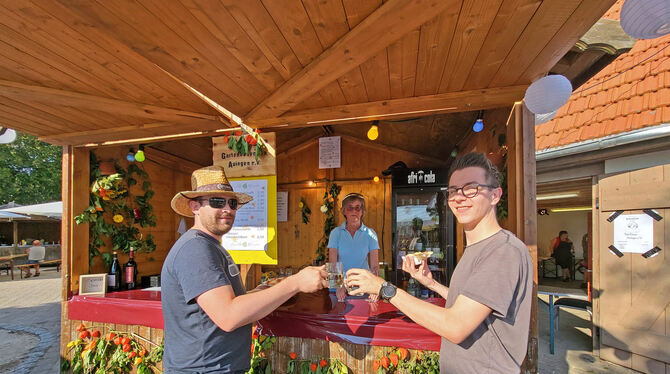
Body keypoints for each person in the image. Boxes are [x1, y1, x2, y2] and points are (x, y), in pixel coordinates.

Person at [346, 152, 533, 373]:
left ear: (495, 195)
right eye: (453, 191)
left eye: (471, 188)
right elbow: (468, 303)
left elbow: (456, 326)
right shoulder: (478, 248)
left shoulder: (503, 251)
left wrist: (384, 288)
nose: (459, 197)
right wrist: (431, 283)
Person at [162, 165, 328, 373]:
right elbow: (229, 316)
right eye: (217, 202)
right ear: (195, 207)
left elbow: (225, 303)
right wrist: (294, 282)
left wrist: (261, 291)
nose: (228, 209)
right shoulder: (195, 248)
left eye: (232, 203)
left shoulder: (210, 246)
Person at [328, 193, 380, 302]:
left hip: (363, 287)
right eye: (350, 208)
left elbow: (375, 266)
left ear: (362, 211)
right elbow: (333, 263)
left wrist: (375, 287)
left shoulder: (371, 234)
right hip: (339, 289)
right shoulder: (336, 233)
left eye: (357, 208)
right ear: (344, 211)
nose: (354, 212)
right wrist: (338, 286)